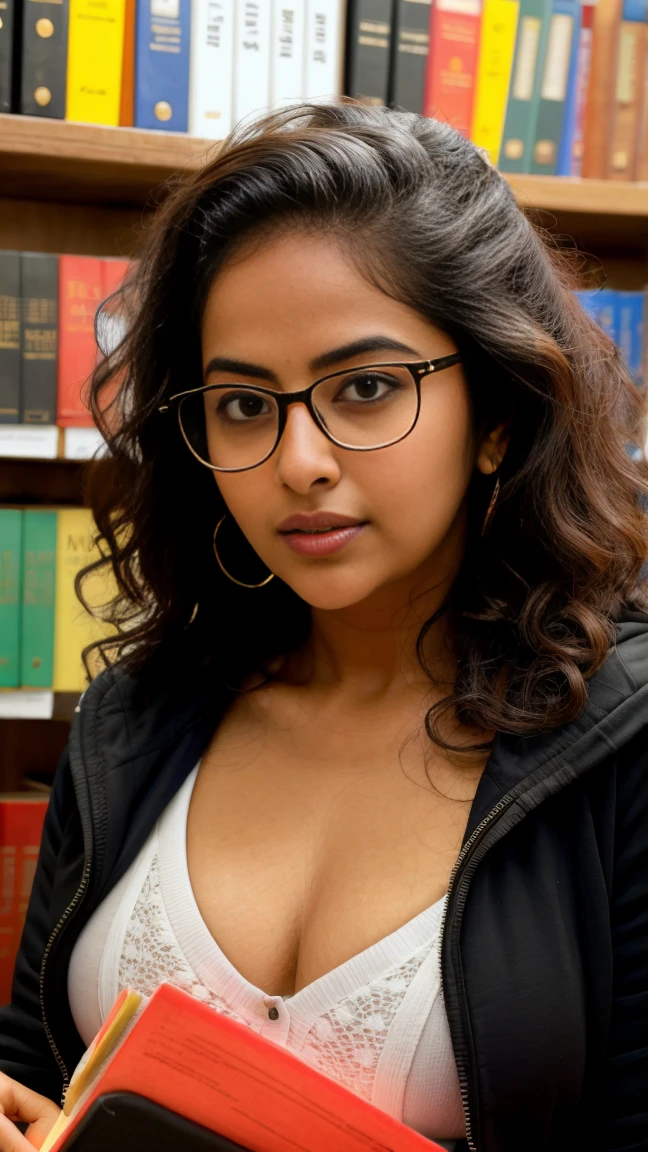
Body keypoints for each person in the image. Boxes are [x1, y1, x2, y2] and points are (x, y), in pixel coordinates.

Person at [0, 101, 647, 1152]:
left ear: (495, 416)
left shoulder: (625, 742)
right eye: (245, 405)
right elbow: (39, 1066)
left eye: (366, 388)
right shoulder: (138, 715)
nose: (301, 460)